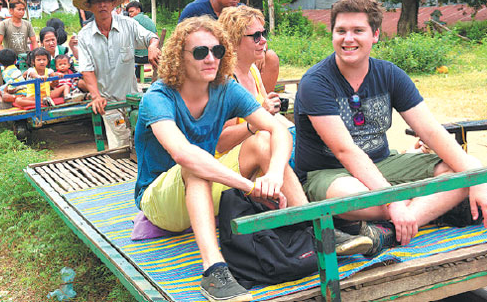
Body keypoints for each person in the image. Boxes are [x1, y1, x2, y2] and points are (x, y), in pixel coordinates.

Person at [135, 16, 373, 302]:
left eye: (218, 51)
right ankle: (214, 270)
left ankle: (315, 230)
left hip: (203, 191)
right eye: (200, 52)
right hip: (159, 200)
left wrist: (273, 174)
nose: (211, 58)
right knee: (194, 163)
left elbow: (276, 129)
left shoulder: (224, 88)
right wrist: (248, 186)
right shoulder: (159, 96)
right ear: (178, 57)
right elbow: (181, 153)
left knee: (262, 140)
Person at [294, 0, 487, 249]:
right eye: (341, 31)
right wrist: (392, 201)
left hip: (384, 162)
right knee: (351, 195)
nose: (348, 39)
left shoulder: (390, 74)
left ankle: (390, 230)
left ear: (375, 35)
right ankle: (426, 209)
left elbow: (431, 131)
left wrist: (476, 177)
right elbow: (346, 151)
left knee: (461, 170)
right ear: (332, 34)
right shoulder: (316, 82)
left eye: (358, 30)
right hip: (330, 174)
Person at [73, 0, 161, 149]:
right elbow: (87, 69)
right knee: (119, 148)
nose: (102, 5)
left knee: (142, 144)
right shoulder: (85, 35)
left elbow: (151, 37)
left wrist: (152, 46)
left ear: (113, 3)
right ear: (90, 7)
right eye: (97, 1)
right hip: (109, 103)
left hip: (132, 98)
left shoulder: (128, 24)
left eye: (106, 0)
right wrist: (96, 96)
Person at [179, 0, 280, 93]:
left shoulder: (242, 12)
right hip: (207, 61)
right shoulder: (194, 11)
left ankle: (263, 102)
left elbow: (257, 36)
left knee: (270, 57)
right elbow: (179, 45)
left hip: (238, 61)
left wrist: (263, 51)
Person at [216, 6, 290, 155]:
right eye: (256, 36)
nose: (263, 41)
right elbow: (221, 143)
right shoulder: (225, 81)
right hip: (229, 161)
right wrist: (258, 119)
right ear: (233, 41)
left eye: (263, 34)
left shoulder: (252, 70)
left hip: (256, 152)